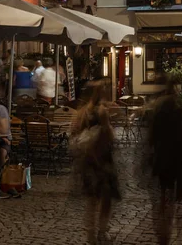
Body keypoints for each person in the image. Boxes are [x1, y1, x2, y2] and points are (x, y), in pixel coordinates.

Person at [71, 80, 120, 245]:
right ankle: (102, 233)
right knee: (105, 199)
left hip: (87, 160)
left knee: (92, 201)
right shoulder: (101, 111)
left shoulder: (81, 112)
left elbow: (74, 133)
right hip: (102, 160)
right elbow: (110, 135)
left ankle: (91, 236)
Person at [148, 75, 182, 245]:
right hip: (177, 157)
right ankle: (180, 235)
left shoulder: (157, 107)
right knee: (179, 197)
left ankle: (164, 231)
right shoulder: (177, 107)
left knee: (163, 195)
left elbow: (151, 136)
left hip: (162, 156)